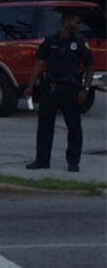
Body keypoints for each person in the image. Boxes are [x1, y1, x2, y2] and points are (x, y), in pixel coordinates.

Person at [25, 11, 95, 172]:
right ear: (66, 22)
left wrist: (85, 88)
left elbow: (90, 65)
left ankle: (73, 161)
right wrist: (30, 86)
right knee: (44, 126)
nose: (78, 26)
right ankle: (42, 160)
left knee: (74, 127)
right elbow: (39, 64)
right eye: (75, 23)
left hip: (70, 89)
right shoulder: (50, 41)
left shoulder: (79, 42)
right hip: (50, 88)